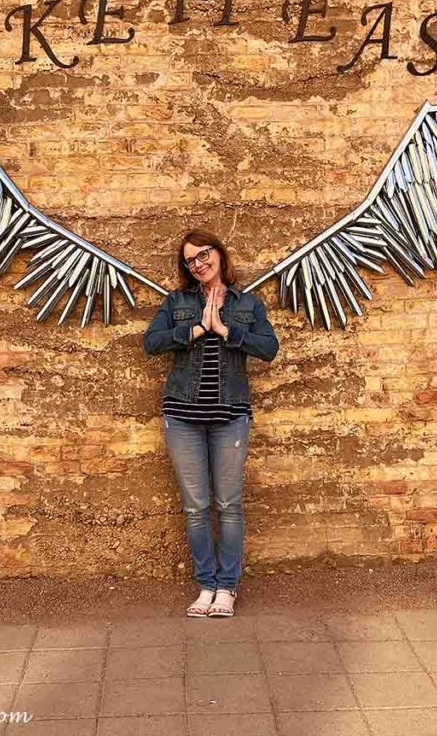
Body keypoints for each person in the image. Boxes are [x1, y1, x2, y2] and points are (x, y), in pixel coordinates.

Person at [142, 229, 279, 618]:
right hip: (183, 417)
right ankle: (206, 585)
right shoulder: (177, 301)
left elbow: (269, 348)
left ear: (219, 254)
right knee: (197, 507)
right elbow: (151, 343)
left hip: (230, 417)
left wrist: (226, 330)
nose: (199, 263)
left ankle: (227, 588)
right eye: (191, 260)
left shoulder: (247, 304)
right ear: (186, 268)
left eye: (204, 254)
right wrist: (198, 328)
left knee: (229, 504)